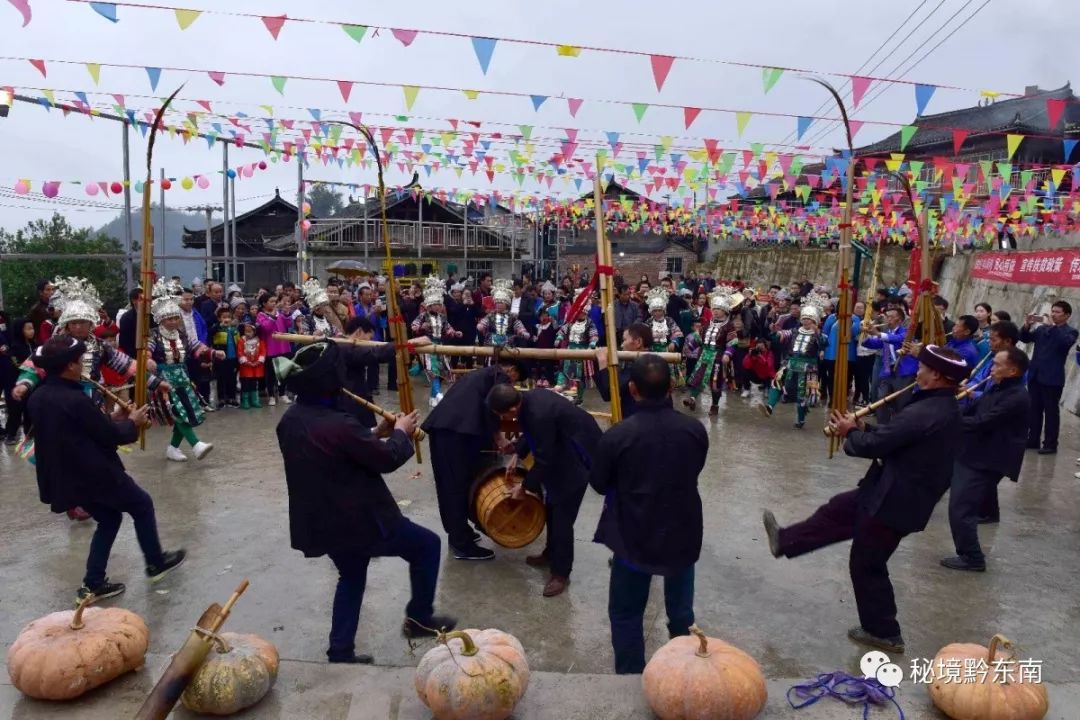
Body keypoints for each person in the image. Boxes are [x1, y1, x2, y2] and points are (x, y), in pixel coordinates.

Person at [761, 345, 967, 653]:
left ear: (936, 375)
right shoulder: (934, 406)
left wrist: (849, 433)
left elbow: (877, 445)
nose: (917, 370)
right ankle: (786, 541)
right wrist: (861, 427)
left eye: (921, 366)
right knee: (837, 511)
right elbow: (896, 438)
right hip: (885, 488)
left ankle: (884, 632)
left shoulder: (927, 411)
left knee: (867, 563)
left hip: (895, 501)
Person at [275, 340, 455, 663]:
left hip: (323, 521)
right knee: (427, 546)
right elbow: (386, 459)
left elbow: (336, 452)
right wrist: (400, 433)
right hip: (360, 519)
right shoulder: (339, 425)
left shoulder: (290, 419)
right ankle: (418, 619)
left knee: (352, 574)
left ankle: (340, 650)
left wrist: (375, 431)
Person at [28, 335, 186, 602]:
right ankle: (155, 563)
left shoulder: (40, 396)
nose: (82, 366)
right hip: (94, 474)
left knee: (110, 518)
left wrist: (113, 418)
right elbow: (109, 437)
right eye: (79, 361)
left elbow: (82, 429)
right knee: (142, 504)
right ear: (69, 367)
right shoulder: (74, 399)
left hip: (67, 477)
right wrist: (133, 422)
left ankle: (93, 583)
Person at [590, 355, 708, 674]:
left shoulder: (617, 436)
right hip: (683, 530)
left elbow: (599, 484)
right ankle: (686, 670)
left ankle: (631, 679)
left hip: (634, 535)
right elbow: (694, 469)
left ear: (632, 389)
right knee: (682, 611)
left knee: (627, 613)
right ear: (671, 386)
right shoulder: (694, 430)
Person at [488, 383, 602, 597]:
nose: (502, 418)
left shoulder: (538, 413)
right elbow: (533, 434)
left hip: (577, 456)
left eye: (501, 414)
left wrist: (524, 487)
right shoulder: (526, 400)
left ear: (512, 409)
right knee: (550, 507)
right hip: (561, 447)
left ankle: (561, 573)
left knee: (562, 518)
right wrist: (517, 452)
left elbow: (544, 459)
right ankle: (551, 553)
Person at [422, 357, 523, 561]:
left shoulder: (484, 373)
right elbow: (492, 406)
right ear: (511, 370)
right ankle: (461, 544)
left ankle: (460, 532)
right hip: (453, 432)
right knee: (455, 486)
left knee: (455, 483)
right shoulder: (500, 377)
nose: (512, 385)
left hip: (450, 429)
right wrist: (500, 438)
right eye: (516, 379)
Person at [942, 347, 1030, 572]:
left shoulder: (1017, 397)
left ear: (1012, 371)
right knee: (961, 504)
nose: (992, 368)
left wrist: (949, 423)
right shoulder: (997, 387)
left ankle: (972, 557)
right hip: (974, 452)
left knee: (961, 508)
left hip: (988, 459)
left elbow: (985, 421)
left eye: (997, 365)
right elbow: (973, 411)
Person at [149, 280, 224, 461]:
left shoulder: (181, 334)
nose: (173, 322)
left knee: (187, 411)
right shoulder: (153, 335)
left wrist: (213, 353)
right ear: (160, 319)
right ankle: (196, 445)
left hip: (182, 377)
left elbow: (196, 347)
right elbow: (146, 354)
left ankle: (173, 448)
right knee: (177, 411)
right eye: (169, 319)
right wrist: (148, 361)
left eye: (176, 318)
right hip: (162, 380)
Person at [758, 297, 828, 429]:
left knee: (803, 394)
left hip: (808, 367)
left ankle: (801, 419)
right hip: (790, 363)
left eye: (809, 319)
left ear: (815, 321)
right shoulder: (795, 331)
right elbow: (781, 335)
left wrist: (817, 332)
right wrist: (774, 332)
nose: (806, 321)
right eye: (804, 318)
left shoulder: (820, 335)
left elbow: (825, 344)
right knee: (777, 382)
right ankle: (769, 407)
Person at [1021, 301, 1078, 455]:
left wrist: (1053, 327)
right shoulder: (1041, 329)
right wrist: (1027, 325)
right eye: (1053, 311)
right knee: (1034, 410)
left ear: (1067, 315)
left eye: (1058, 312)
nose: (1053, 314)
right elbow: (1025, 338)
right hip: (1035, 375)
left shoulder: (1071, 332)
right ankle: (1033, 439)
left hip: (1052, 378)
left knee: (1051, 412)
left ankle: (1050, 444)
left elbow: (1063, 343)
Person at [683, 286, 737, 414]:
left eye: (719, 309)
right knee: (698, 378)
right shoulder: (707, 323)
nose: (716, 311)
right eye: (714, 308)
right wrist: (689, 347)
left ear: (725, 311)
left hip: (717, 357)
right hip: (704, 355)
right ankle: (692, 398)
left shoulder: (729, 326)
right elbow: (699, 337)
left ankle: (715, 405)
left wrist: (728, 354)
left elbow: (733, 342)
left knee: (715, 384)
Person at [861, 307, 919, 425]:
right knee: (881, 399)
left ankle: (900, 427)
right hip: (888, 371)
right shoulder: (887, 333)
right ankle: (882, 427)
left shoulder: (906, 332)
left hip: (903, 372)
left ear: (899, 319)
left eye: (890, 317)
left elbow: (897, 339)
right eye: (886, 316)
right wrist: (864, 334)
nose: (887, 319)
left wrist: (877, 333)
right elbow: (874, 343)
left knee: (901, 402)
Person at [411, 276, 462, 407]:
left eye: (440, 304)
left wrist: (454, 332)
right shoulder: (423, 316)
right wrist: (420, 327)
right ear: (429, 305)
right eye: (435, 304)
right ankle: (438, 394)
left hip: (440, 346)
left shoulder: (443, 317)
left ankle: (433, 397)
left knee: (441, 371)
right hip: (427, 346)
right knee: (433, 371)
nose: (438, 307)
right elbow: (413, 325)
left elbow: (448, 328)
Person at [595, 322, 654, 417]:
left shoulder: (639, 366)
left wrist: (602, 361)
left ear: (638, 342)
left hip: (637, 422)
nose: (622, 345)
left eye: (624, 340)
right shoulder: (655, 361)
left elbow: (608, 393)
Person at [553, 289, 599, 405]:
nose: (580, 314)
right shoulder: (571, 322)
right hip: (569, 350)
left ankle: (576, 397)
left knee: (577, 376)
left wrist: (592, 343)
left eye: (582, 312)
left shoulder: (589, 323)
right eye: (578, 312)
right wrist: (559, 338)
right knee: (565, 371)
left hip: (582, 352)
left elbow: (594, 334)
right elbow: (562, 330)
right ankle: (562, 389)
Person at [256, 292, 294, 406]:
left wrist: (287, 313)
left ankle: (282, 393)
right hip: (270, 347)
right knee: (270, 373)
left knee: (284, 371)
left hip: (283, 346)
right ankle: (271, 395)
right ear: (264, 303)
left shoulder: (279, 313)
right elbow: (266, 328)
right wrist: (272, 316)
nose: (274, 304)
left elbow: (288, 323)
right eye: (271, 301)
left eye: (275, 301)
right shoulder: (261, 315)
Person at [3, 317, 35, 444]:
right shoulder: (15, 347)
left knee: (29, 409)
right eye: (28, 329)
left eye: (33, 328)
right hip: (16, 383)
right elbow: (17, 365)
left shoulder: (33, 345)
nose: (32, 331)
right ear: (20, 331)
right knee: (16, 410)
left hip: (31, 383)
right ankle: (11, 434)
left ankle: (29, 433)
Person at [476, 279, 530, 353]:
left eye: (501, 303)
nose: (499, 304)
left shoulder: (511, 316)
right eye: (497, 302)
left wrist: (522, 332)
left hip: (508, 346)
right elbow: (484, 322)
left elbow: (518, 325)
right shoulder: (491, 315)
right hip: (491, 346)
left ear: (506, 304)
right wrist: (481, 325)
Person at [210, 306, 240, 408]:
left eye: (229, 317)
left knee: (232, 379)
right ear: (219, 318)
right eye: (224, 317)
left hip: (233, 358)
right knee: (221, 378)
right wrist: (219, 325)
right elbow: (210, 333)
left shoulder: (234, 329)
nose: (227, 319)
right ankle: (222, 398)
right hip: (221, 359)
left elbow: (239, 342)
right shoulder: (217, 328)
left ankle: (232, 397)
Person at [237, 321, 265, 409]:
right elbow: (240, 352)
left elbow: (263, 352)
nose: (248, 333)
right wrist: (246, 362)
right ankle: (245, 401)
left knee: (254, 383)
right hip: (246, 367)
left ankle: (254, 400)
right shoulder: (242, 340)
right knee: (245, 384)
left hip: (256, 367)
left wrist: (259, 361)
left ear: (254, 332)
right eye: (246, 331)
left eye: (250, 331)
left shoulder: (259, 341)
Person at [117, 287, 143, 357]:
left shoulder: (151, 316)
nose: (144, 301)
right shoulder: (126, 318)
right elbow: (124, 341)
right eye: (141, 299)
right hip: (133, 355)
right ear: (134, 300)